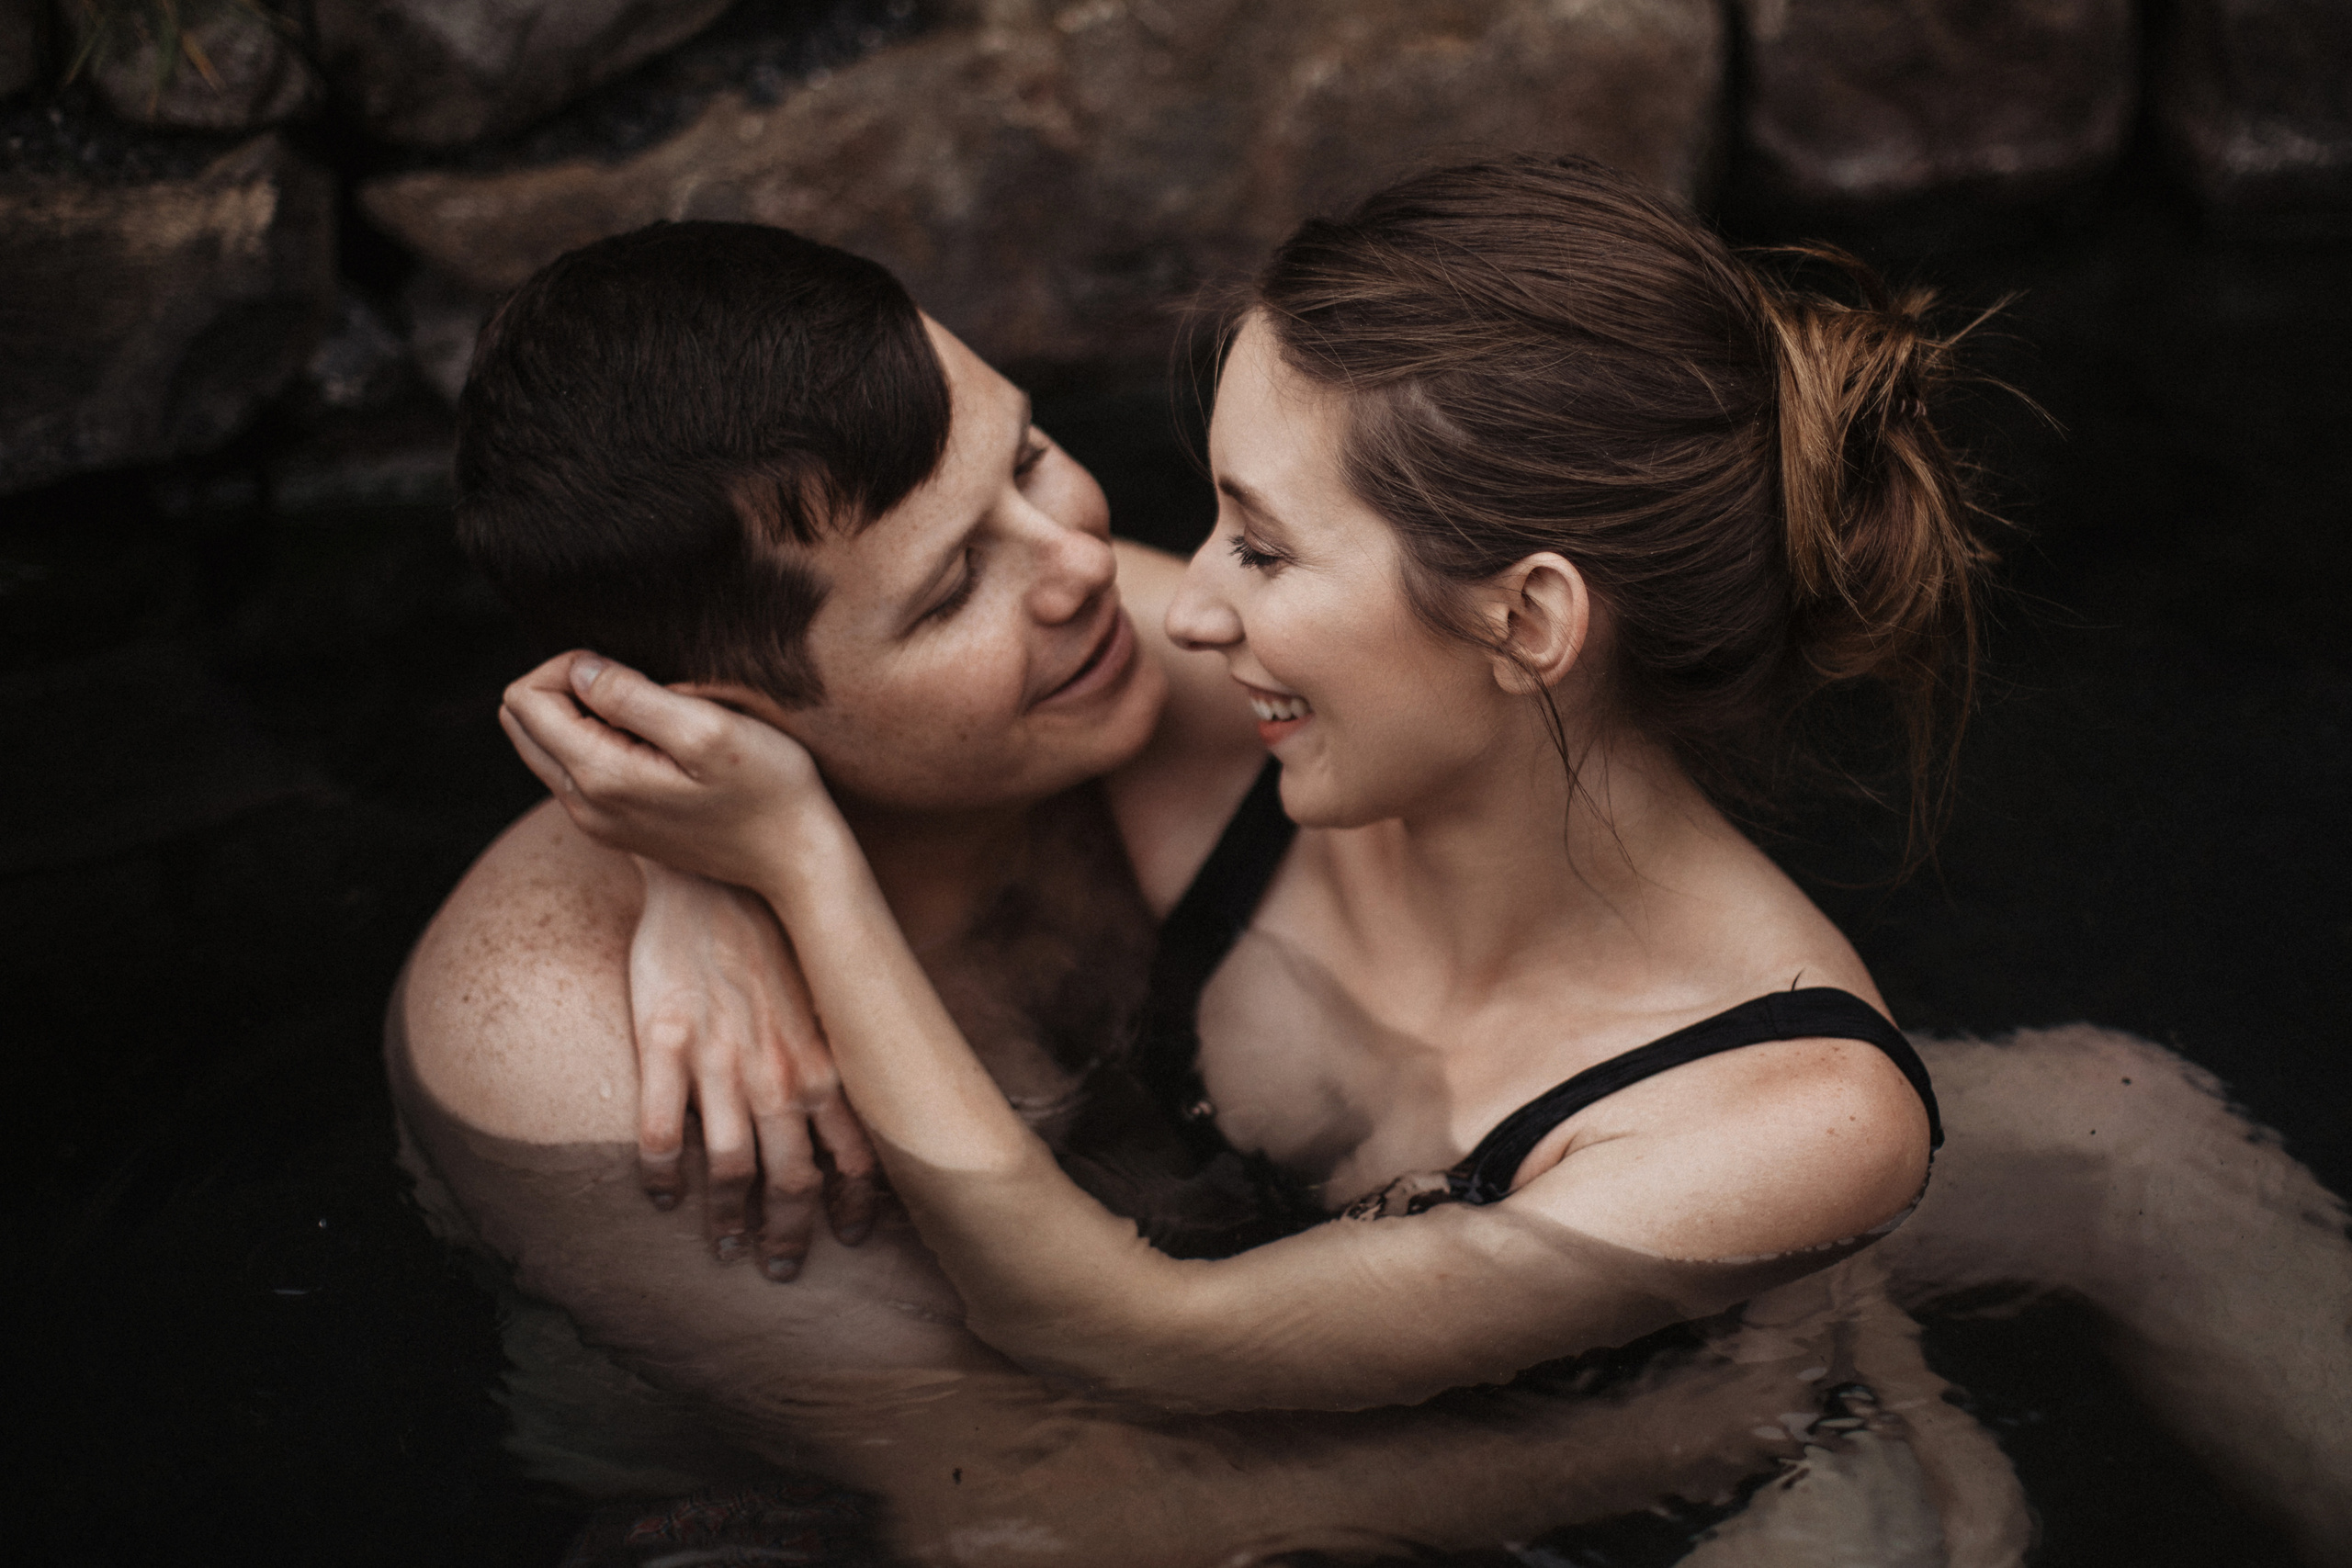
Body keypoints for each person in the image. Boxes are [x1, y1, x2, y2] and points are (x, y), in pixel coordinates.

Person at [502, 159, 2352, 1562]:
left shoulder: (1787, 1099)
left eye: (1255, 543)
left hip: (1528, 1344)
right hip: (1420, 1378)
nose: (1157, 598)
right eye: (1205, 517)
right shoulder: (1232, 700)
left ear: (1525, 621)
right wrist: (702, 868)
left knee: (1900, 1462)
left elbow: (1121, 1338)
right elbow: (833, 679)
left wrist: (793, 867)